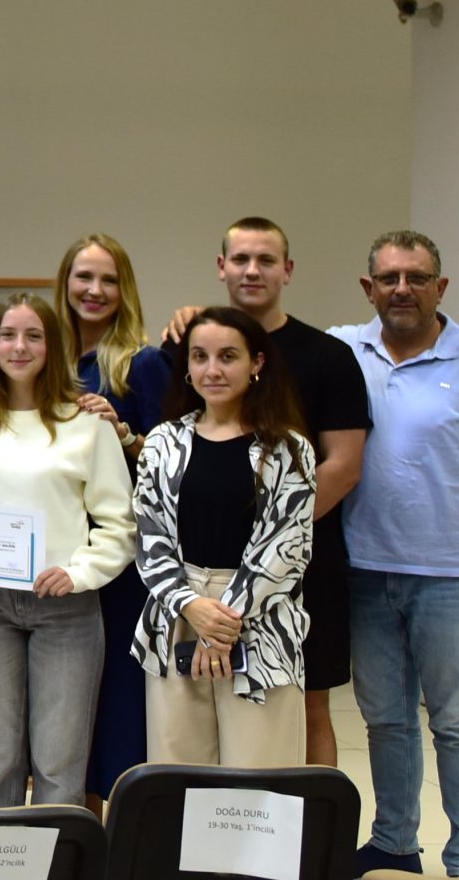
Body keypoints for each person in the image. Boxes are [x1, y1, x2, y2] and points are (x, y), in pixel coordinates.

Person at [333, 231, 459, 878]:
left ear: (440, 287)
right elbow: (268, 345)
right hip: (366, 571)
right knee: (386, 720)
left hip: (456, 577)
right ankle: (395, 841)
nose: (403, 289)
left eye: (417, 277)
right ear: (368, 287)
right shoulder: (345, 352)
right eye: (389, 278)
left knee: (457, 721)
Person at [160, 217, 369, 772]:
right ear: (221, 267)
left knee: (298, 717)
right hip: (192, 591)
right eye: (241, 259)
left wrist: (265, 548)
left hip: (288, 579)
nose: (252, 271)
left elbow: (342, 467)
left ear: (287, 270)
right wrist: (198, 597)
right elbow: (159, 510)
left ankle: (308, 827)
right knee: (190, 739)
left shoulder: (326, 360)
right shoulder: (186, 354)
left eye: (266, 260)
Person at [0, 294, 133, 809]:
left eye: (33, 336)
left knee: (59, 762)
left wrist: (80, 573)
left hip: (65, 606)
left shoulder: (86, 422)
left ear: (54, 346)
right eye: (8, 335)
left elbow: (119, 523)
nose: (19, 347)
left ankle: (57, 852)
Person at [132, 307, 314, 768]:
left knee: (260, 776)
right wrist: (192, 607)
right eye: (200, 357)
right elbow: (150, 538)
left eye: (228, 356)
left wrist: (222, 626)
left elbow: (285, 548)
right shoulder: (162, 443)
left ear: (257, 363)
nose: (212, 369)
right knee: (178, 776)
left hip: (260, 620)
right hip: (178, 617)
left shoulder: (289, 449)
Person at [54, 234, 171, 802]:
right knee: (66, 700)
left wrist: (123, 434)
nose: (95, 290)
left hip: (120, 560)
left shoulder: (143, 364)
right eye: (84, 277)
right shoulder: (44, 360)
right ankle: (72, 821)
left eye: (108, 279)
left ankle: (121, 824)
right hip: (57, 554)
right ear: (65, 283)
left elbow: (171, 457)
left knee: (118, 698)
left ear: (125, 290)